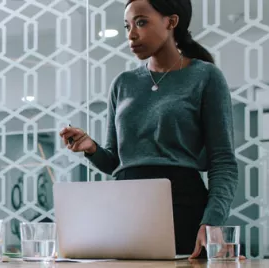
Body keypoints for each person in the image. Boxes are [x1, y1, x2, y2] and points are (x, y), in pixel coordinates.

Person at [59, 0, 238, 259]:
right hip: (124, 208)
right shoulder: (123, 83)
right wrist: (92, 149)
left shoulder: (206, 77)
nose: (131, 34)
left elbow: (223, 162)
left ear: (171, 21)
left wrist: (212, 222)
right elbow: (115, 163)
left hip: (183, 208)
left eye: (141, 22)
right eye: (127, 26)